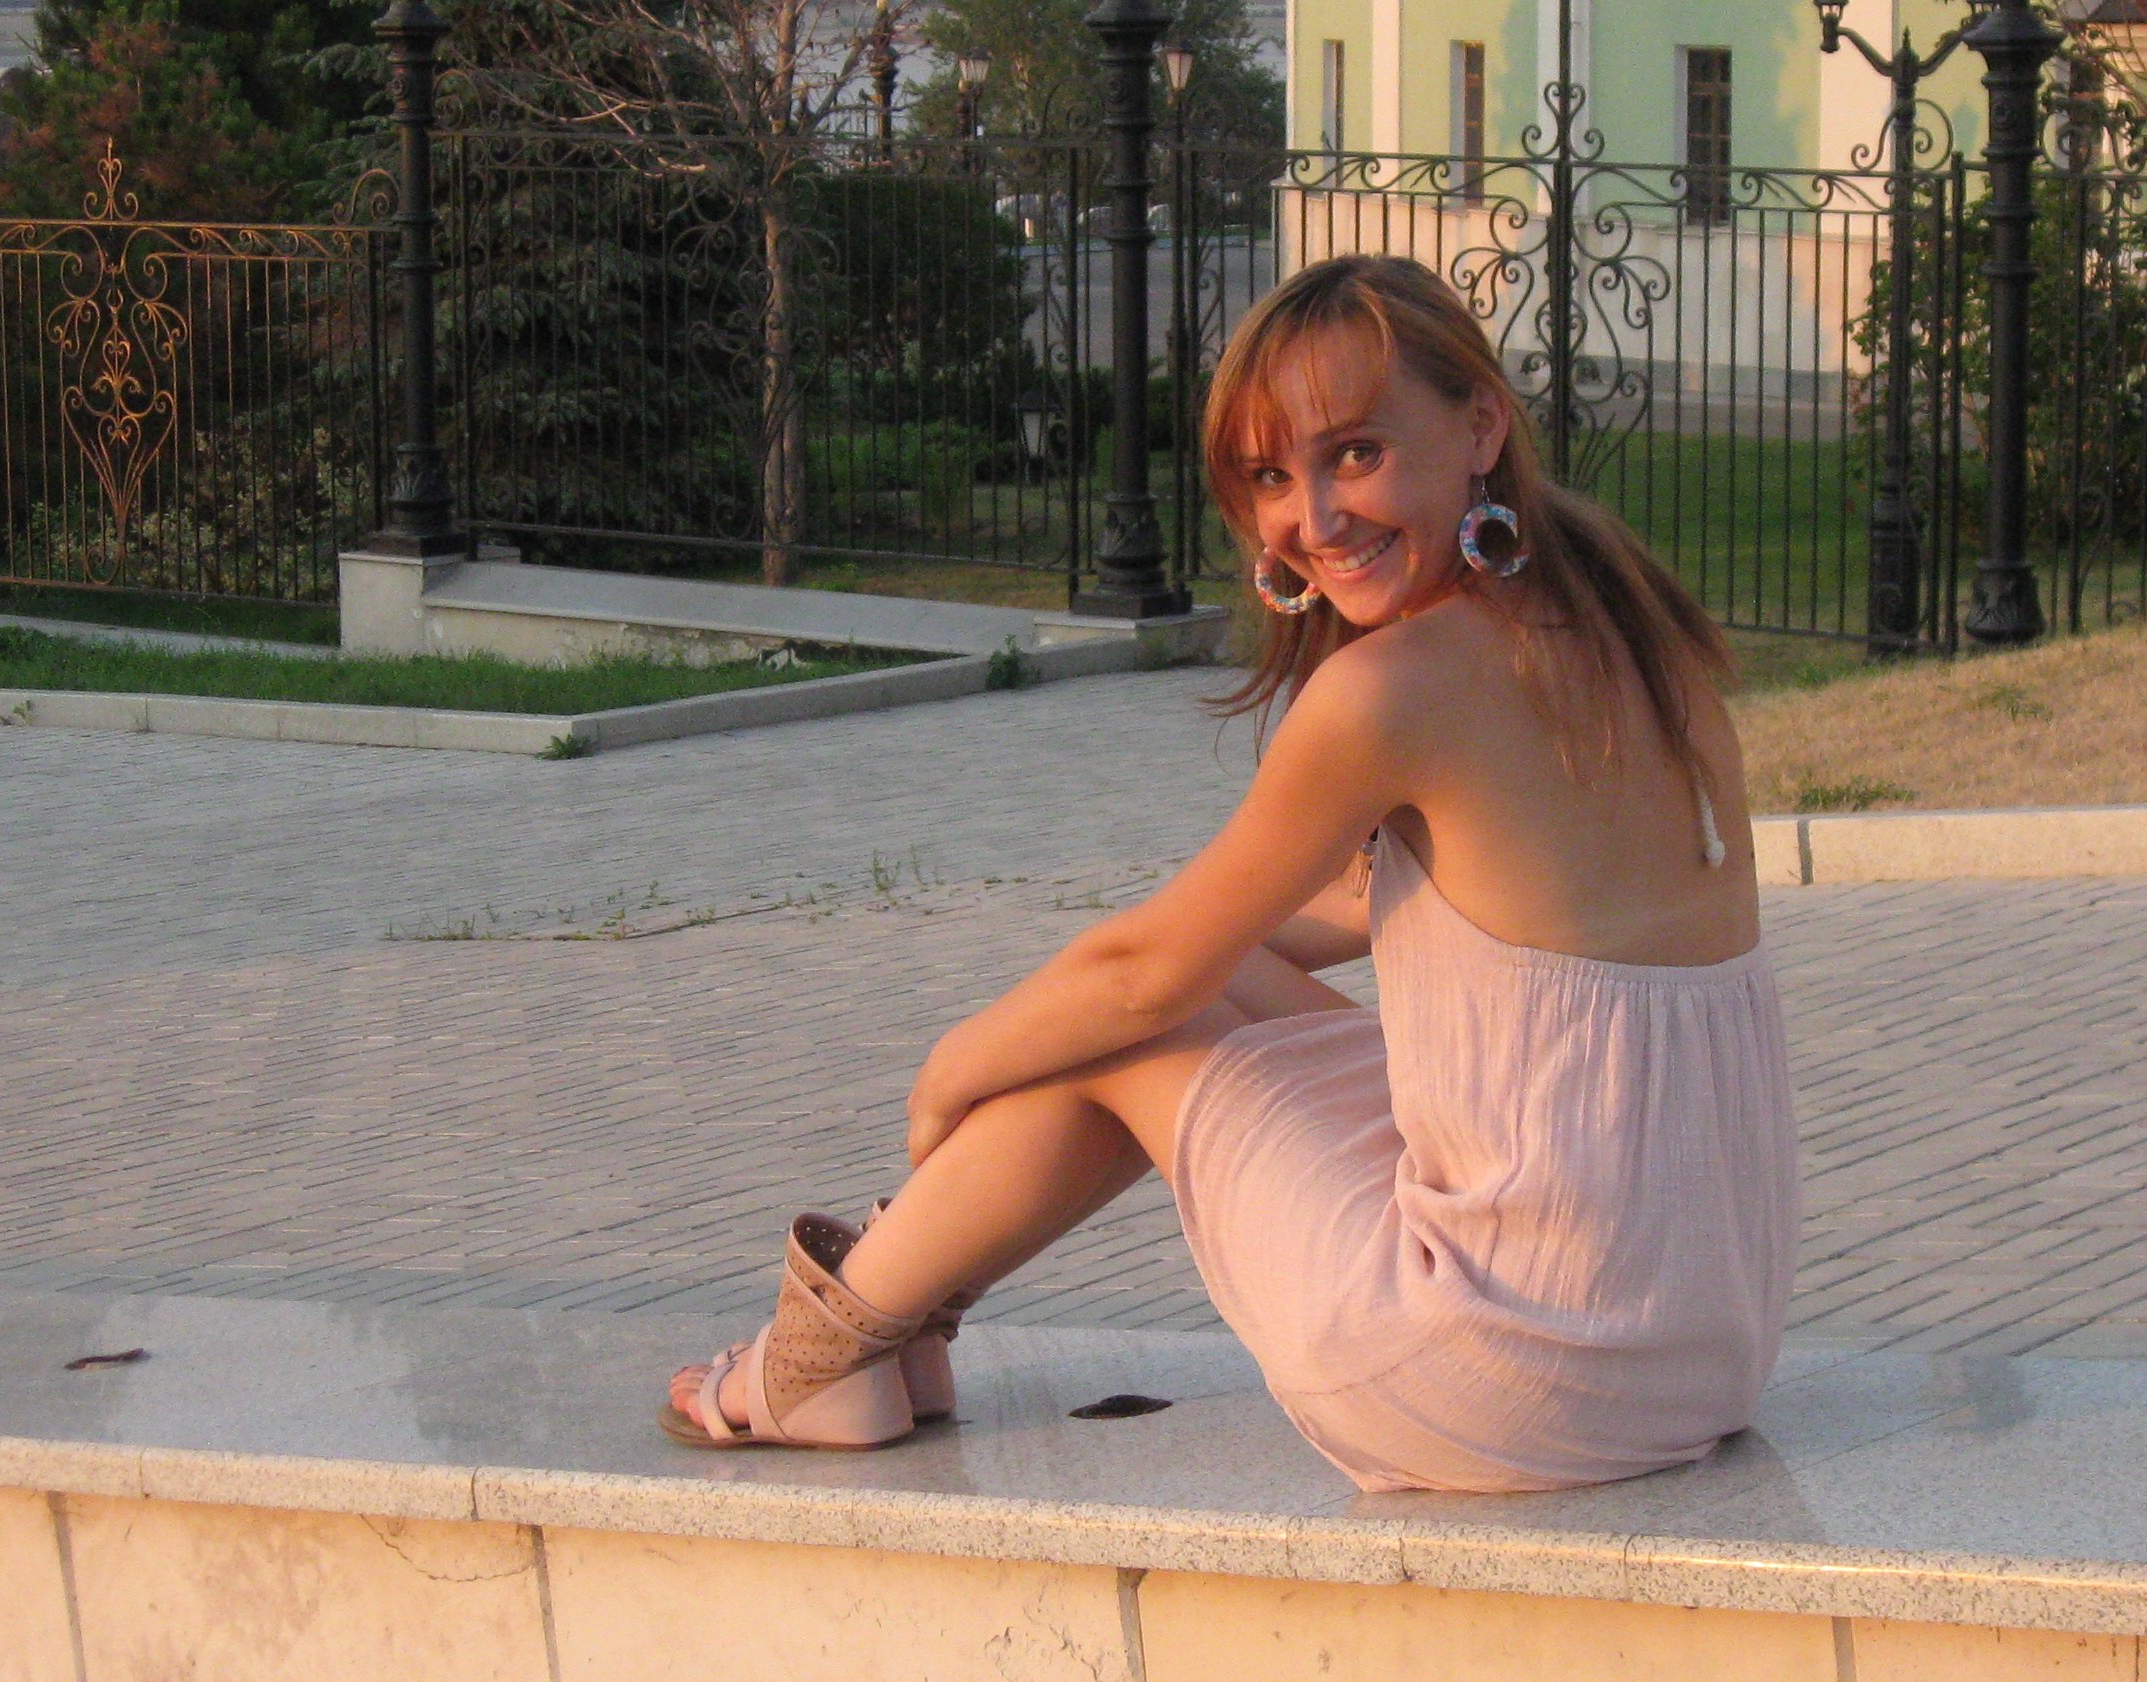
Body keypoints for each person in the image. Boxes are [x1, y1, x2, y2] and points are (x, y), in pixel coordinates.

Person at [660, 254, 1798, 1493]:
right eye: (1269, 477)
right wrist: (1139, 987)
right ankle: (894, 1322)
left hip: (1512, 1368)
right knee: (1166, 986)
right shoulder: (1621, 616)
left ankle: (826, 1347)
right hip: (1694, 1341)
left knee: (1128, 1013)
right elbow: (1357, 911)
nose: (1314, 519)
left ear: (1481, 424)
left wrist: (952, 1074)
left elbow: (1139, 981)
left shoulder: (1390, 688)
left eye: (1355, 452)